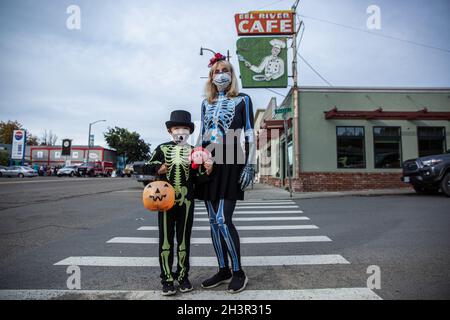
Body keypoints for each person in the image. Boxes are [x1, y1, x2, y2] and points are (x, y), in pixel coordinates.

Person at [196, 53, 255, 294]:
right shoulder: (205, 103)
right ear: (210, 77)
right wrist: (196, 160)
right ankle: (223, 269)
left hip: (231, 156)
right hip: (208, 158)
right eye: (216, 71)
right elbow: (201, 134)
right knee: (212, 220)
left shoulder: (243, 99)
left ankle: (239, 270)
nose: (221, 74)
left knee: (222, 218)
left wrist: (250, 163)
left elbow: (250, 132)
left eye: (226, 70)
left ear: (231, 75)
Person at [143, 110, 213, 296]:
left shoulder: (194, 151)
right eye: (176, 128)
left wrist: (206, 171)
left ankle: (183, 276)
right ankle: (166, 279)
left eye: (184, 128)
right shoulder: (161, 148)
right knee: (165, 241)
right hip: (164, 199)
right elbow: (147, 167)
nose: (180, 131)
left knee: (184, 241)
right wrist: (159, 168)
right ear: (170, 131)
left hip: (186, 200)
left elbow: (197, 179)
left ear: (189, 131)